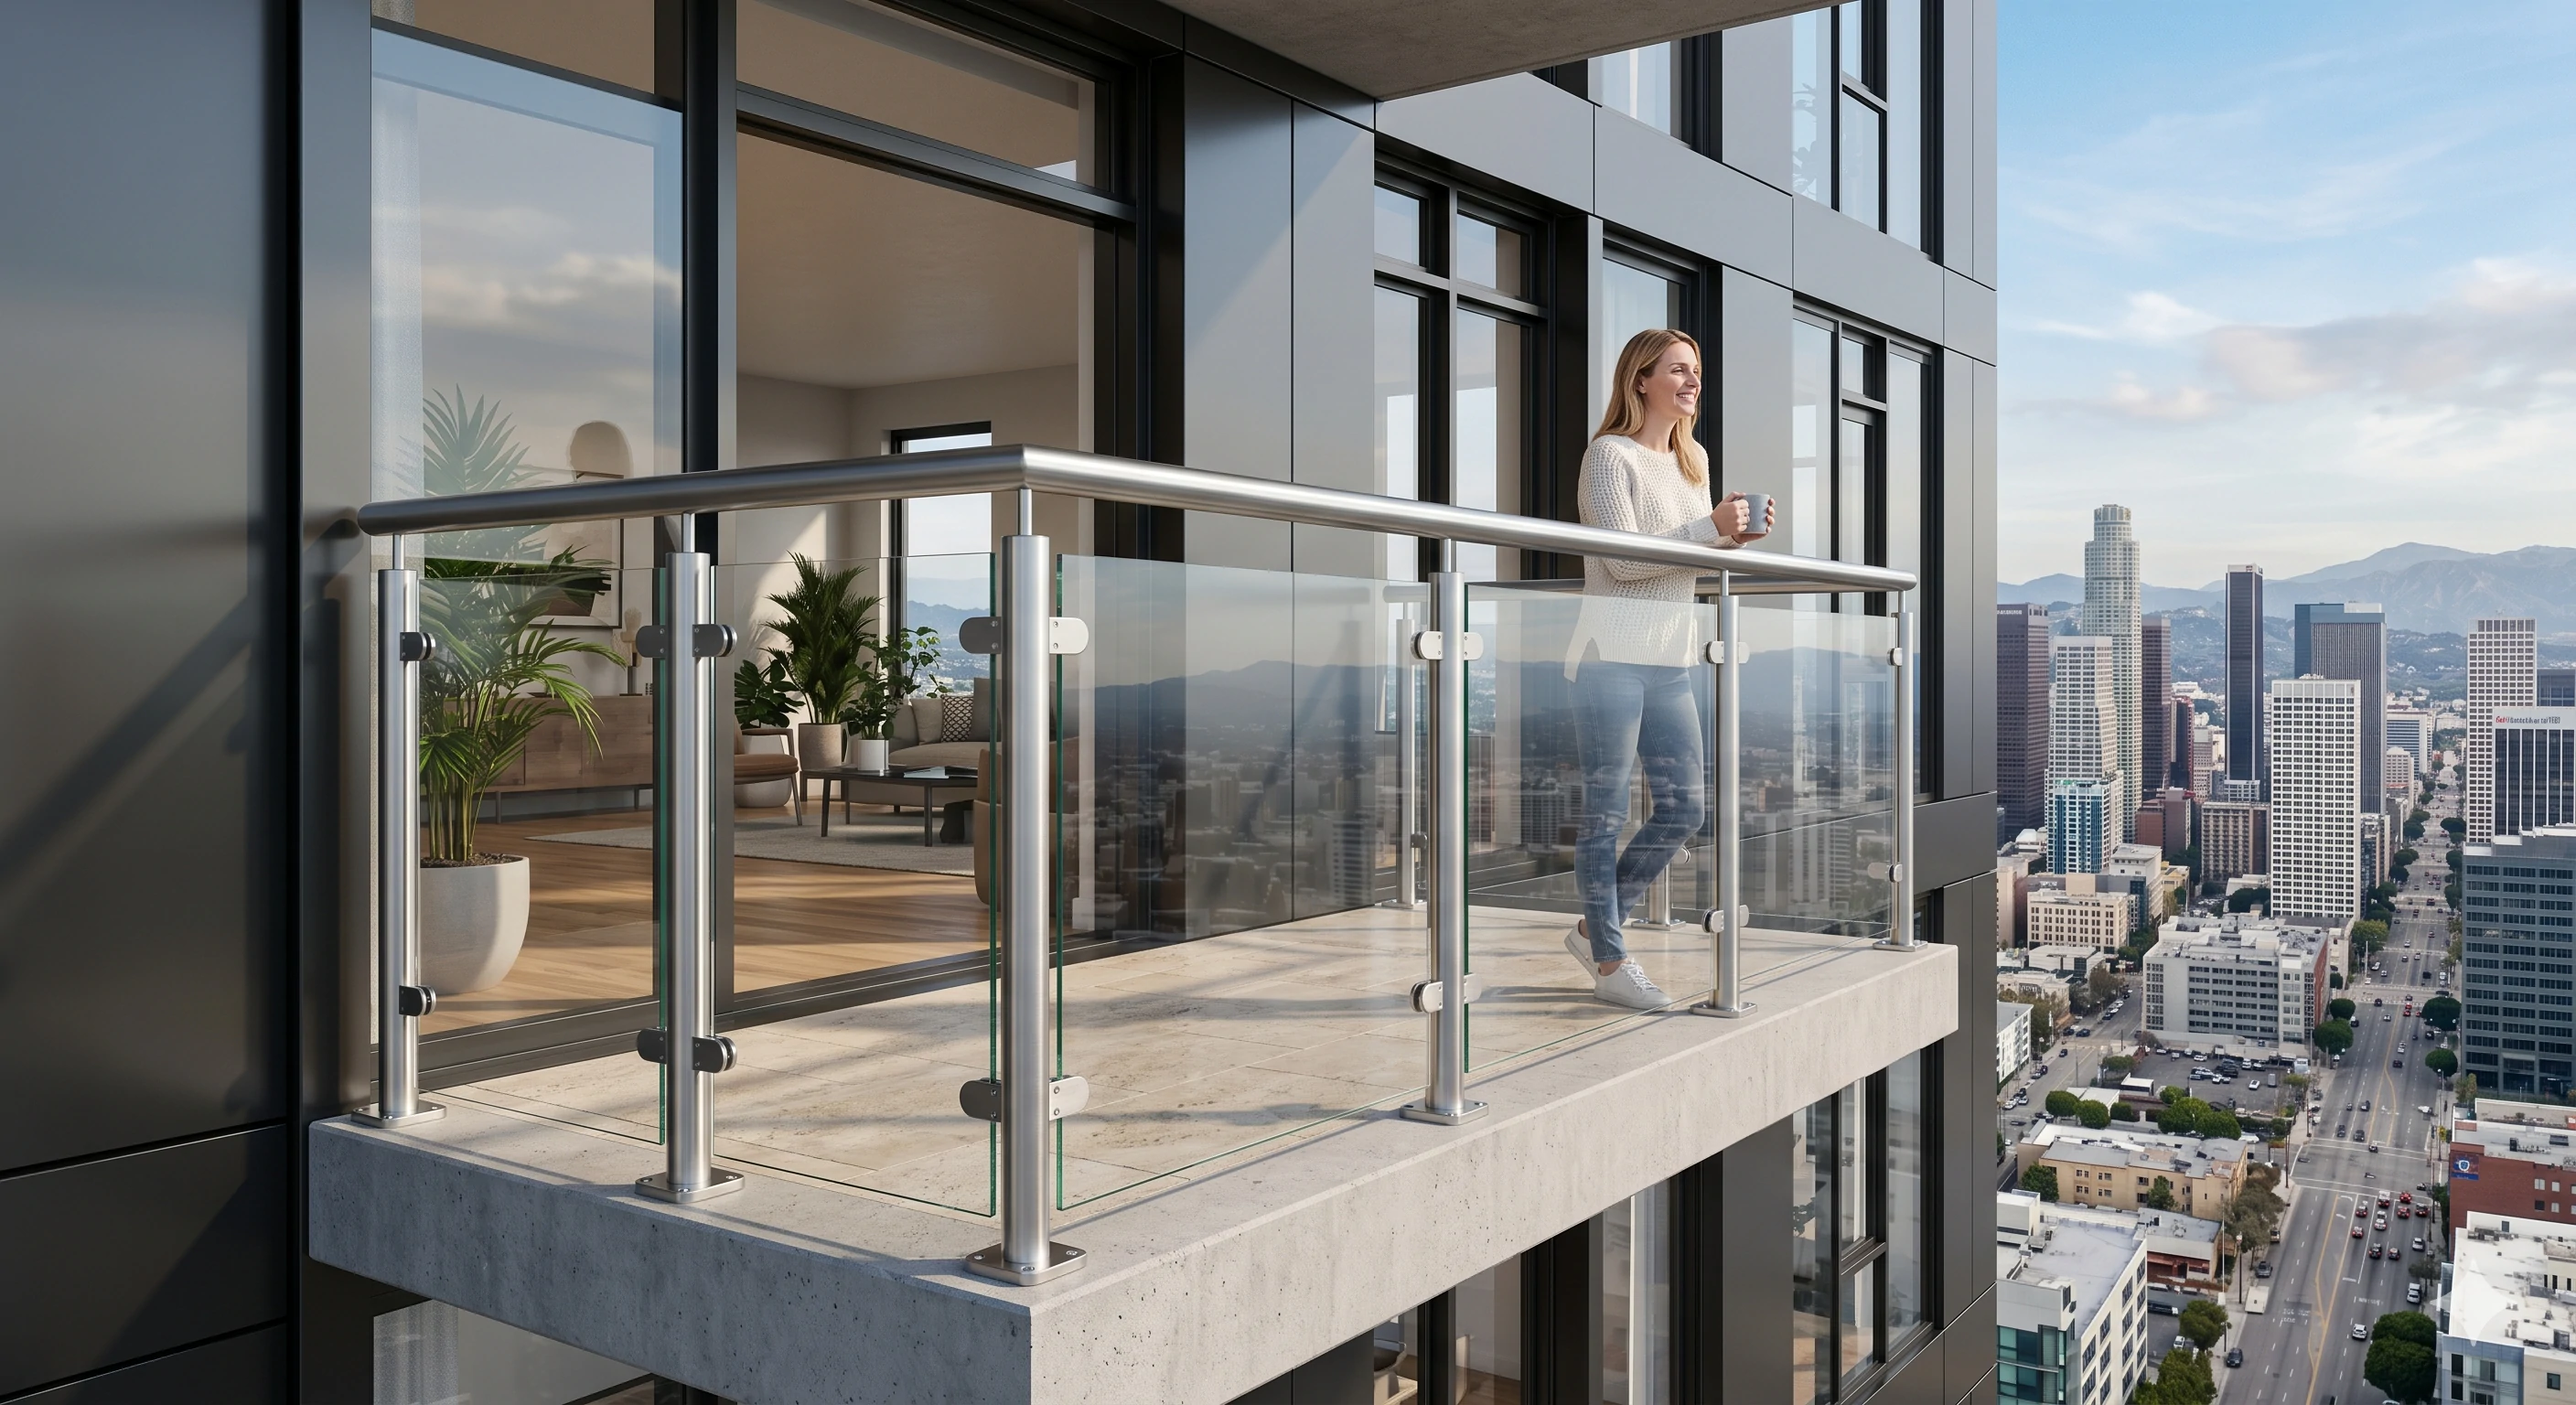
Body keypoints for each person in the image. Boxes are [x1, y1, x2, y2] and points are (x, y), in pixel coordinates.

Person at [1561, 328, 1772, 1009]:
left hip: (1671, 658)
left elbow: (1690, 559)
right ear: (1640, 379)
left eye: (1697, 372)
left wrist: (1731, 538)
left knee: (1684, 807)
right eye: (1678, 370)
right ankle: (1611, 961)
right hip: (1610, 659)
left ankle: (1598, 925)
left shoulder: (1693, 459)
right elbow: (1623, 563)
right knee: (1605, 813)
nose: (1692, 382)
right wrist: (1707, 530)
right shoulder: (1607, 457)